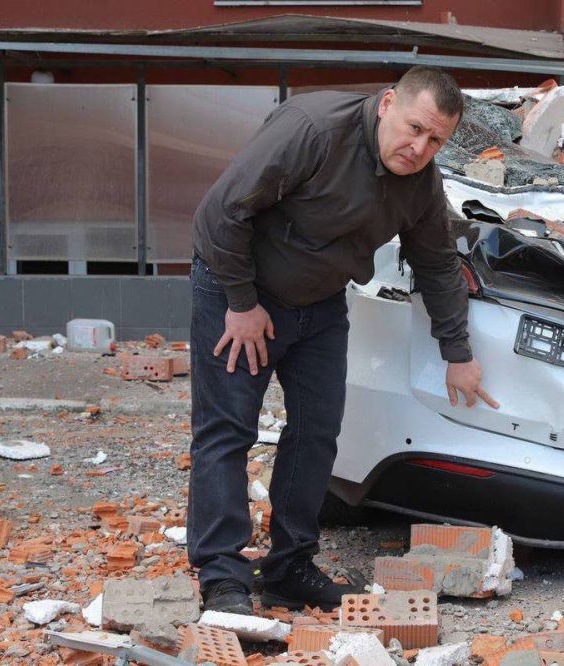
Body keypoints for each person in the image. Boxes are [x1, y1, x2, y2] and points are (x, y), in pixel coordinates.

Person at [187, 66, 498, 615]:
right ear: (387, 104)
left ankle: (290, 568)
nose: (419, 149)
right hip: (240, 289)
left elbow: (436, 263)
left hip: (321, 302)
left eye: (436, 141)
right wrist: (241, 303)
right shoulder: (311, 129)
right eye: (415, 128)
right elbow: (221, 212)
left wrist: (458, 353)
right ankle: (222, 576)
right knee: (227, 431)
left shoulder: (421, 181)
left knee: (318, 431)